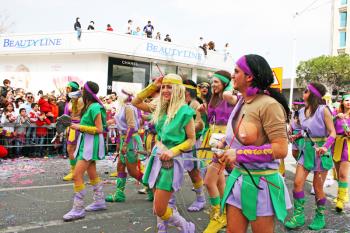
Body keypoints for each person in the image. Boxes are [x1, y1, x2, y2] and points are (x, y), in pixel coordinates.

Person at [216, 54, 292, 233]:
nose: (232, 76)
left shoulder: (269, 105)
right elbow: (241, 139)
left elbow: (281, 149)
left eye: (236, 71)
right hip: (238, 178)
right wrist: (226, 149)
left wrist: (240, 155)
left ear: (249, 76)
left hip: (262, 183)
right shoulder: (242, 101)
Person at [132, 74, 196, 232]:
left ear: (178, 89)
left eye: (170, 86)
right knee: (157, 205)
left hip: (172, 160)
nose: (165, 90)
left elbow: (191, 140)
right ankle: (162, 229)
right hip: (157, 157)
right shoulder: (160, 107)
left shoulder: (185, 111)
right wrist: (153, 86)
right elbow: (136, 102)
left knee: (160, 208)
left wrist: (173, 152)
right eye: (164, 87)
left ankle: (186, 227)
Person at [285, 82, 336, 230]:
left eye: (306, 91)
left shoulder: (323, 110)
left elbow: (332, 132)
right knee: (297, 183)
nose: (303, 94)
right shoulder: (301, 111)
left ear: (314, 94)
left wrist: (325, 147)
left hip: (321, 152)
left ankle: (320, 217)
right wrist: (296, 136)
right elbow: (305, 131)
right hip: (305, 151)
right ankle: (298, 216)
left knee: (317, 187)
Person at [197, 70, 237, 233]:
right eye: (212, 82)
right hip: (213, 139)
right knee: (220, 181)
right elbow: (211, 118)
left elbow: (230, 100)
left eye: (216, 82)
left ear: (225, 84)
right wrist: (204, 109)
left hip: (225, 141)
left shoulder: (231, 97)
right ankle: (224, 214)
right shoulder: (214, 99)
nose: (213, 85)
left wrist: (230, 84)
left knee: (208, 181)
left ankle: (218, 215)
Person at [63, 81, 107, 221]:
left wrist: (78, 127)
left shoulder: (94, 107)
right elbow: (85, 123)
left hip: (90, 144)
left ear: (87, 91)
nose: (81, 90)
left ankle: (78, 209)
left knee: (77, 175)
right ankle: (99, 201)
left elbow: (99, 129)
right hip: (86, 142)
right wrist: (72, 123)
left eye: (83, 89)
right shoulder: (88, 106)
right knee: (92, 172)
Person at [105, 89, 153, 202]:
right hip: (124, 139)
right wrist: (108, 123)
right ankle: (119, 194)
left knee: (132, 171)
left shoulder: (128, 107)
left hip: (130, 140)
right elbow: (120, 122)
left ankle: (152, 187)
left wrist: (125, 144)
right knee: (120, 166)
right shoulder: (123, 106)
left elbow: (131, 127)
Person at [332, 93, 350, 212]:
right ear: (342, 102)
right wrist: (336, 118)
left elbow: (348, 133)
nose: (349, 102)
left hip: (347, 146)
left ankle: (340, 200)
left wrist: (344, 122)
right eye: (347, 100)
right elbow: (329, 128)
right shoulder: (336, 114)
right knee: (338, 174)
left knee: (343, 174)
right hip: (336, 145)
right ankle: (342, 193)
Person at [63, 82, 84, 181]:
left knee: (72, 149)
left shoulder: (80, 100)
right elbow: (66, 116)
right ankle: (76, 170)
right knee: (71, 149)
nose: (66, 89)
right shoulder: (70, 101)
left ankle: (75, 171)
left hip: (78, 127)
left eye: (68, 88)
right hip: (71, 127)